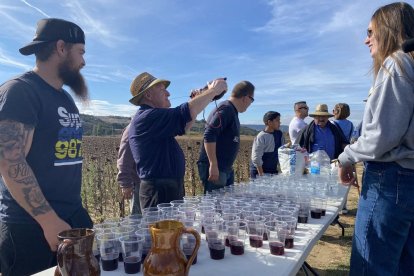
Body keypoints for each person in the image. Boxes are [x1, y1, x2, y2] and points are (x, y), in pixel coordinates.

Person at [0, 18, 93, 275]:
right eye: (81, 52)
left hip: (71, 217)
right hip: (32, 227)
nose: (84, 62)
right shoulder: (21, 91)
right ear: (61, 47)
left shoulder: (63, 97)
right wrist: (48, 221)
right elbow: (10, 162)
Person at [338, 2, 414, 275]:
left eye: (371, 31)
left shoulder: (397, 64)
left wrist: (345, 158)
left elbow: (380, 137)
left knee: (371, 266)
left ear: (389, 29)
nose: (365, 39)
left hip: (390, 181)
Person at [128, 72, 227, 210]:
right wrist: (213, 91)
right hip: (159, 191)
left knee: (172, 230)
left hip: (165, 188)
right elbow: (184, 113)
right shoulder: (147, 117)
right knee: (163, 231)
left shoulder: (152, 119)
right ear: (148, 95)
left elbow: (185, 124)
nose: (168, 93)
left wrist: (200, 98)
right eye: (162, 89)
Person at [197, 81, 255, 194]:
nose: (250, 104)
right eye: (252, 100)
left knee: (224, 207)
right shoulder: (226, 109)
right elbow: (209, 134)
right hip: (217, 168)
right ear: (246, 97)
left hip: (224, 168)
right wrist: (213, 164)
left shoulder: (231, 110)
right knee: (214, 206)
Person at [250, 111, 285, 178]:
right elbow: (256, 157)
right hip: (259, 171)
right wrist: (261, 175)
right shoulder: (261, 137)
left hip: (272, 170)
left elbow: (282, 150)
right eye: (277, 120)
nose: (279, 123)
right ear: (269, 122)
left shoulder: (279, 134)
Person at [117, 123, 141, 214]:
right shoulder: (133, 127)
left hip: (150, 183)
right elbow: (124, 157)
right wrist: (125, 184)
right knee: (138, 219)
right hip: (139, 183)